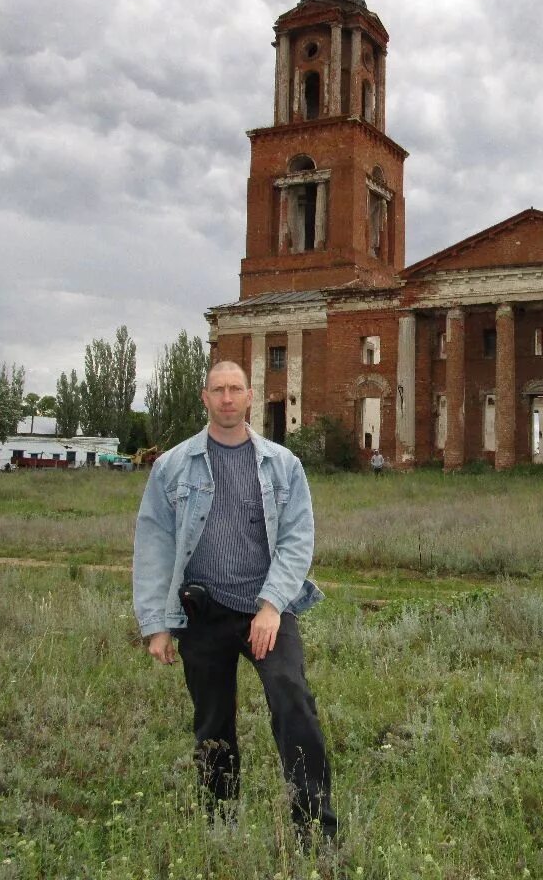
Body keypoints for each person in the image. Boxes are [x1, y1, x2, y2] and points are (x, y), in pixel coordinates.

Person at [132, 360, 336, 841]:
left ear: (250, 398)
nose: (227, 398)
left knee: (294, 704)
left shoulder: (282, 465)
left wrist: (270, 606)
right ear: (204, 398)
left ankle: (316, 831)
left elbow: (296, 538)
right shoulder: (172, 466)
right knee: (213, 722)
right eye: (218, 390)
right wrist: (157, 623)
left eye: (236, 390)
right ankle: (220, 828)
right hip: (204, 610)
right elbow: (155, 544)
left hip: (267, 607)